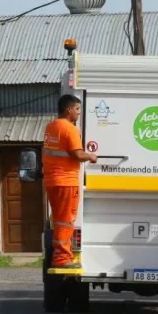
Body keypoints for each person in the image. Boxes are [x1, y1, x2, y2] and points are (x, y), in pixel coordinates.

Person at [43, 94, 97, 269]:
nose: (79, 113)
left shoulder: (50, 127)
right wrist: (91, 156)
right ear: (69, 110)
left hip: (52, 181)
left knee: (59, 220)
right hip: (66, 181)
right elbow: (77, 154)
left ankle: (59, 255)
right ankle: (62, 258)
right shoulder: (70, 129)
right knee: (66, 220)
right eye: (77, 109)